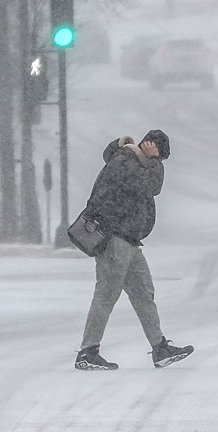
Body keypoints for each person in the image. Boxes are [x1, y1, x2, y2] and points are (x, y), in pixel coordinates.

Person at [75, 128, 194, 370]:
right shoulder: (125, 162)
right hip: (115, 241)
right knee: (106, 295)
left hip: (129, 241)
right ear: (151, 149)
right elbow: (153, 186)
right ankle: (88, 352)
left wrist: (150, 160)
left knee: (143, 294)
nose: (158, 163)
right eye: (159, 157)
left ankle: (160, 348)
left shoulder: (132, 163)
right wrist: (153, 161)